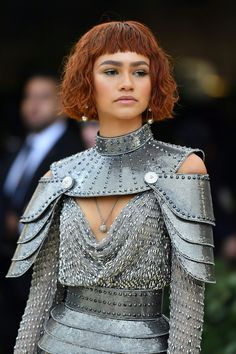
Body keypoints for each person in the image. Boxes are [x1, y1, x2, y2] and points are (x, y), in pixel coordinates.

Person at [6, 21, 215, 353]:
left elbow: (188, 307)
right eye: (111, 71)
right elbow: (39, 299)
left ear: (154, 82)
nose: (127, 83)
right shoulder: (59, 175)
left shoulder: (182, 168)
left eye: (141, 72)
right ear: (87, 81)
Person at [0, 73, 84, 353]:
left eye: (43, 97)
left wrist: (22, 224)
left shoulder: (74, 152)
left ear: (62, 104)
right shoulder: (17, 148)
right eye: (28, 97)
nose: (33, 104)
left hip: (43, 277)